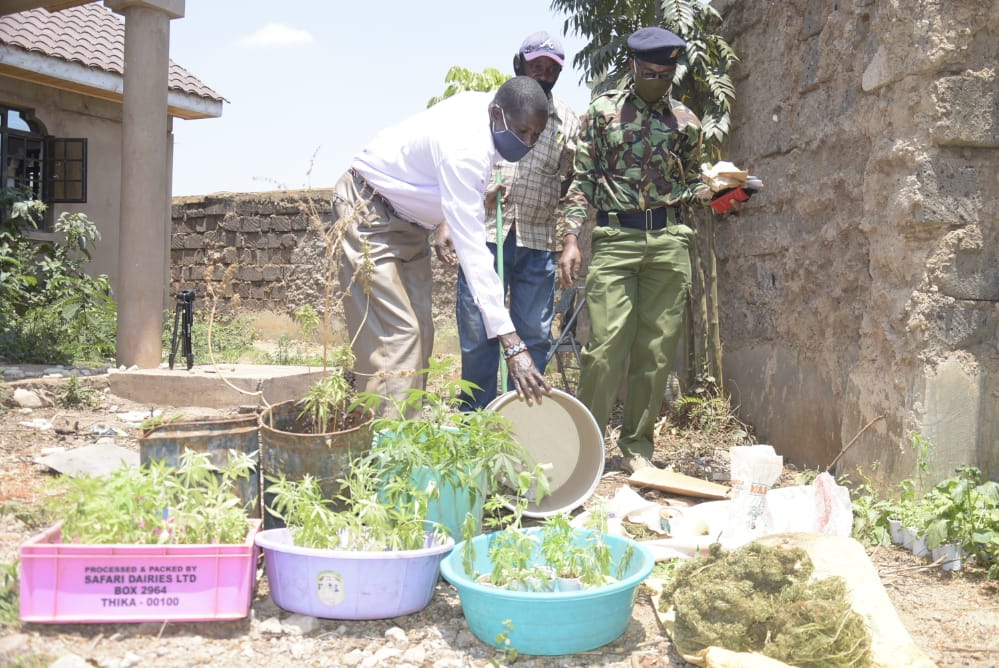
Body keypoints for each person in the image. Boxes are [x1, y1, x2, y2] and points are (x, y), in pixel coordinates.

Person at [332, 75, 553, 412]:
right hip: (369, 214)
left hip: (409, 225)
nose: (527, 142)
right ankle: (385, 450)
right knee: (398, 339)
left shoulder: (486, 115)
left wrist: (475, 193)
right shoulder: (466, 147)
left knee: (421, 334)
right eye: (522, 132)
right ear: (497, 114)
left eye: (535, 136)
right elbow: (474, 252)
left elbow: (449, 183)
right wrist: (511, 343)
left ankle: (411, 439)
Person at [558, 27, 712, 474]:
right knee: (605, 348)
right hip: (615, 240)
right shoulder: (602, 114)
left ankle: (638, 450)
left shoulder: (686, 122)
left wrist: (720, 191)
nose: (657, 80)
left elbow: (689, 183)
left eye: (666, 74)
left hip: (668, 241)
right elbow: (582, 179)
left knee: (657, 349)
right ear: (633, 67)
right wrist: (570, 238)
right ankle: (585, 447)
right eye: (649, 72)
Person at [433, 31, 581, 410]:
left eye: (552, 69)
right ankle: (475, 420)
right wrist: (446, 221)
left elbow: (575, 183)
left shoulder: (566, 120)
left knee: (533, 335)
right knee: (478, 331)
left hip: (537, 242)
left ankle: (523, 420)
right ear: (519, 63)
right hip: (485, 235)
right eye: (537, 66)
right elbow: (456, 171)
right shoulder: (490, 109)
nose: (544, 74)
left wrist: (571, 239)